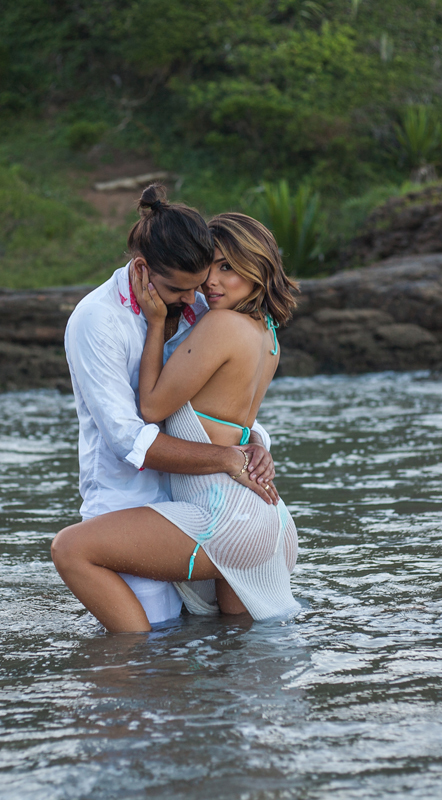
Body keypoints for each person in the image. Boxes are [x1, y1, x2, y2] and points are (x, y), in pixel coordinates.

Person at [52, 209, 301, 633]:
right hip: (241, 515)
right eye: (206, 274)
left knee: (73, 554)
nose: (199, 293)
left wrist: (253, 445)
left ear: (256, 270)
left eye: (224, 268)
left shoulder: (210, 312)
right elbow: (132, 438)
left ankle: (134, 664)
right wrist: (237, 454)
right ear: (143, 269)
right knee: (232, 646)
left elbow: (167, 408)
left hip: (218, 516)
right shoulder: (99, 319)